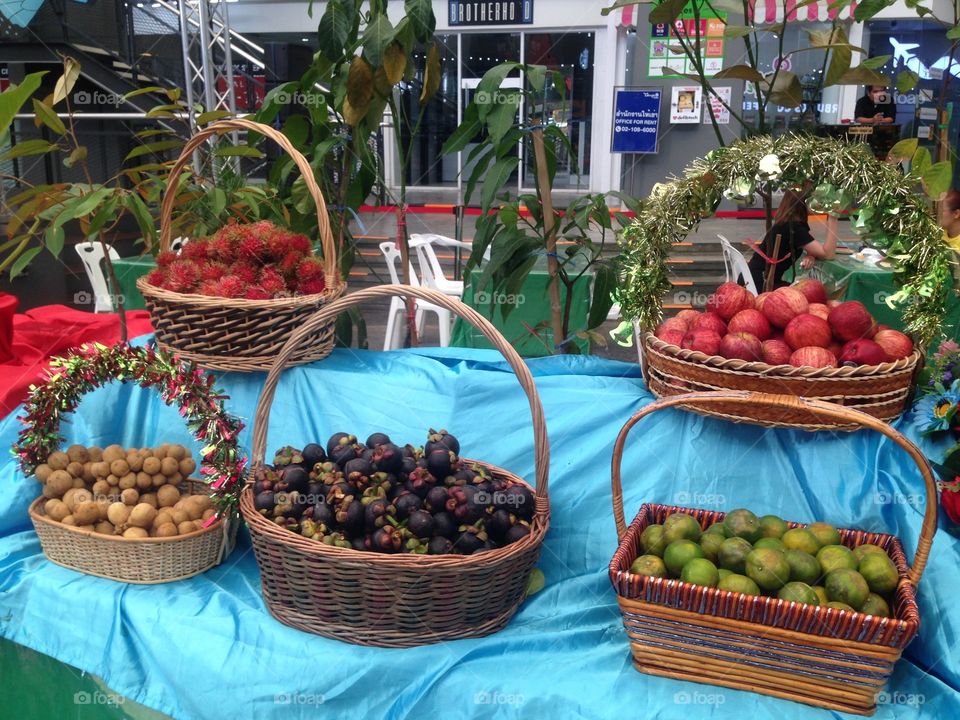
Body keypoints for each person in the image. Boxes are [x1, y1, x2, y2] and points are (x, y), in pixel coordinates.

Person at [748, 190, 839, 291]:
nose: (819, 203)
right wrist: (833, 218)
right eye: (815, 199)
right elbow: (828, 254)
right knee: (814, 293)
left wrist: (811, 255)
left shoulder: (789, 222)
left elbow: (808, 243)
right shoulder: (793, 227)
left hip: (752, 278)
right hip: (760, 285)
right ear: (804, 202)